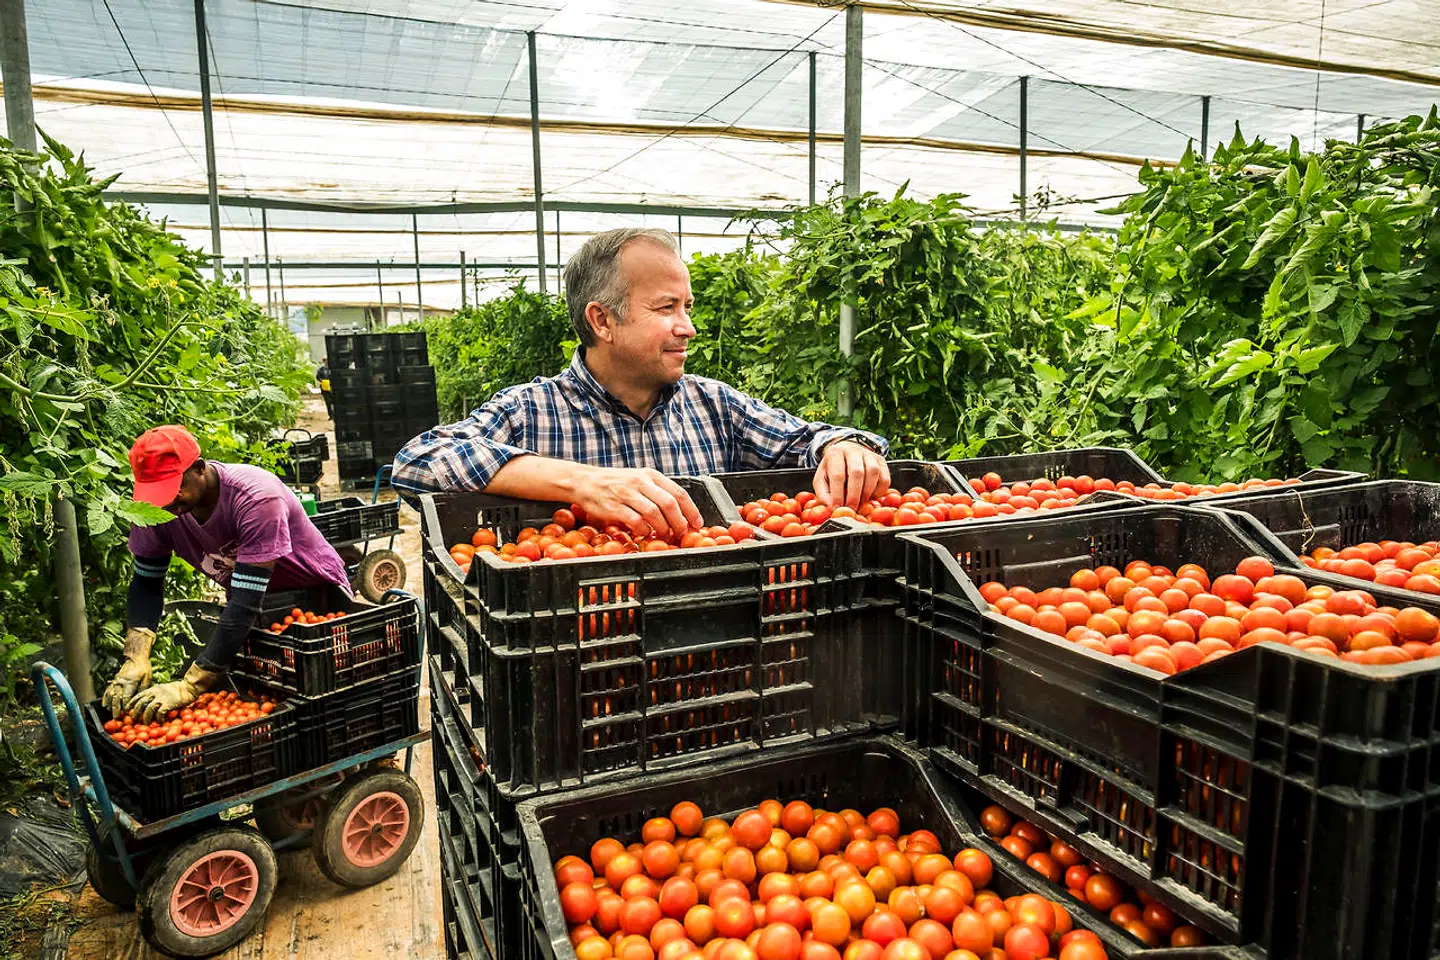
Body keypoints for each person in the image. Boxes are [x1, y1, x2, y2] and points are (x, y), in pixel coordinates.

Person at [391, 228, 890, 534]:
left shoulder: (715, 405)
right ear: (602, 321)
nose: (688, 327)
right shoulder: (531, 411)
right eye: (665, 308)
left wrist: (843, 445)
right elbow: (417, 463)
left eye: (687, 307)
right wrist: (581, 482)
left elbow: (805, 440)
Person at [102, 426, 352, 721]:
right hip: (257, 611)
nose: (168, 501)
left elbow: (246, 601)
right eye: (157, 492)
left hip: (316, 598)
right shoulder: (156, 509)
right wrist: (136, 656)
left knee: (329, 698)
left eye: (172, 488)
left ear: (198, 468)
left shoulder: (256, 498)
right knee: (272, 701)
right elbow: (146, 582)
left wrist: (190, 685)